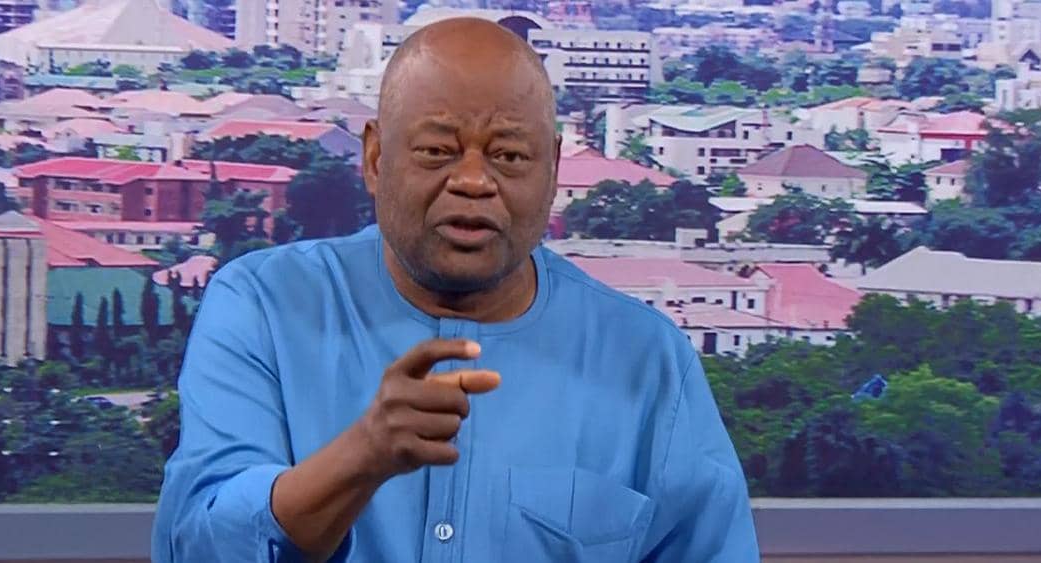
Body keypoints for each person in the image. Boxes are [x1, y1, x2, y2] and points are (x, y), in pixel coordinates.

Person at [151, 17, 759, 563]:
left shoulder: (646, 361)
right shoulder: (262, 307)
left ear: (553, 169)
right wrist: (361, 455)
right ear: (375, 158)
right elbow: (197, 543)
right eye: (437, 151)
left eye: (509, 156)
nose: (472, 180)